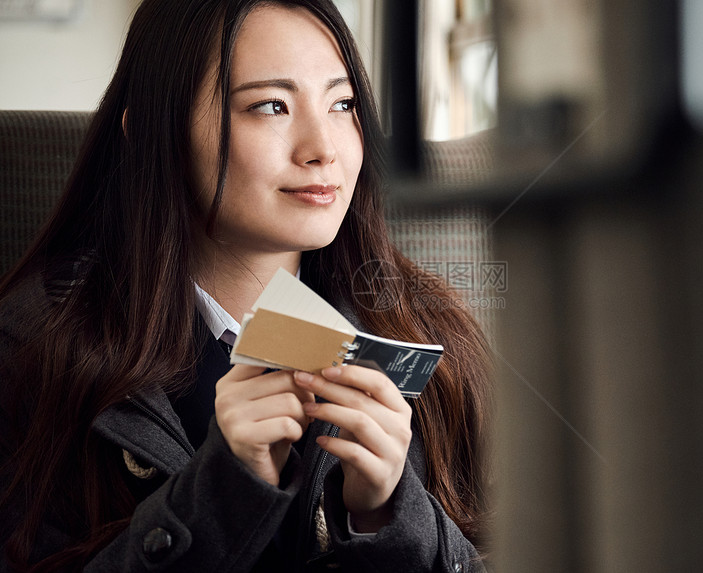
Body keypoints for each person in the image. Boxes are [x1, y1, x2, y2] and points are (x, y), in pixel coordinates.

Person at [0, 0, 492, 570]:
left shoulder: (437, 332)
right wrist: (223, 492)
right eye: (271, 106)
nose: (323, 149)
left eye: (343, 103)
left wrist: (388, 516)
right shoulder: (35, 352)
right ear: (152, 132)